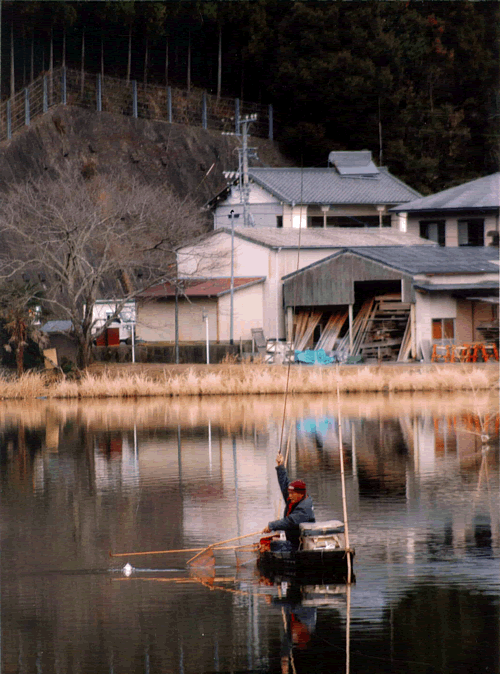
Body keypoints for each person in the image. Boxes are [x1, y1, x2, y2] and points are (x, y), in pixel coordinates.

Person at [262, 453, 315, 550]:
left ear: (300, 494)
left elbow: (289, 521)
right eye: (289, 493)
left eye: (292, 493)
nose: (289, 496)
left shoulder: (304, 508)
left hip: (299, 545)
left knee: (272, 546)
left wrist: (271, 526)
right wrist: (280, 466)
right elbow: (284, 484)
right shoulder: (294, 499)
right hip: (293, 540)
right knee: (271, 543)